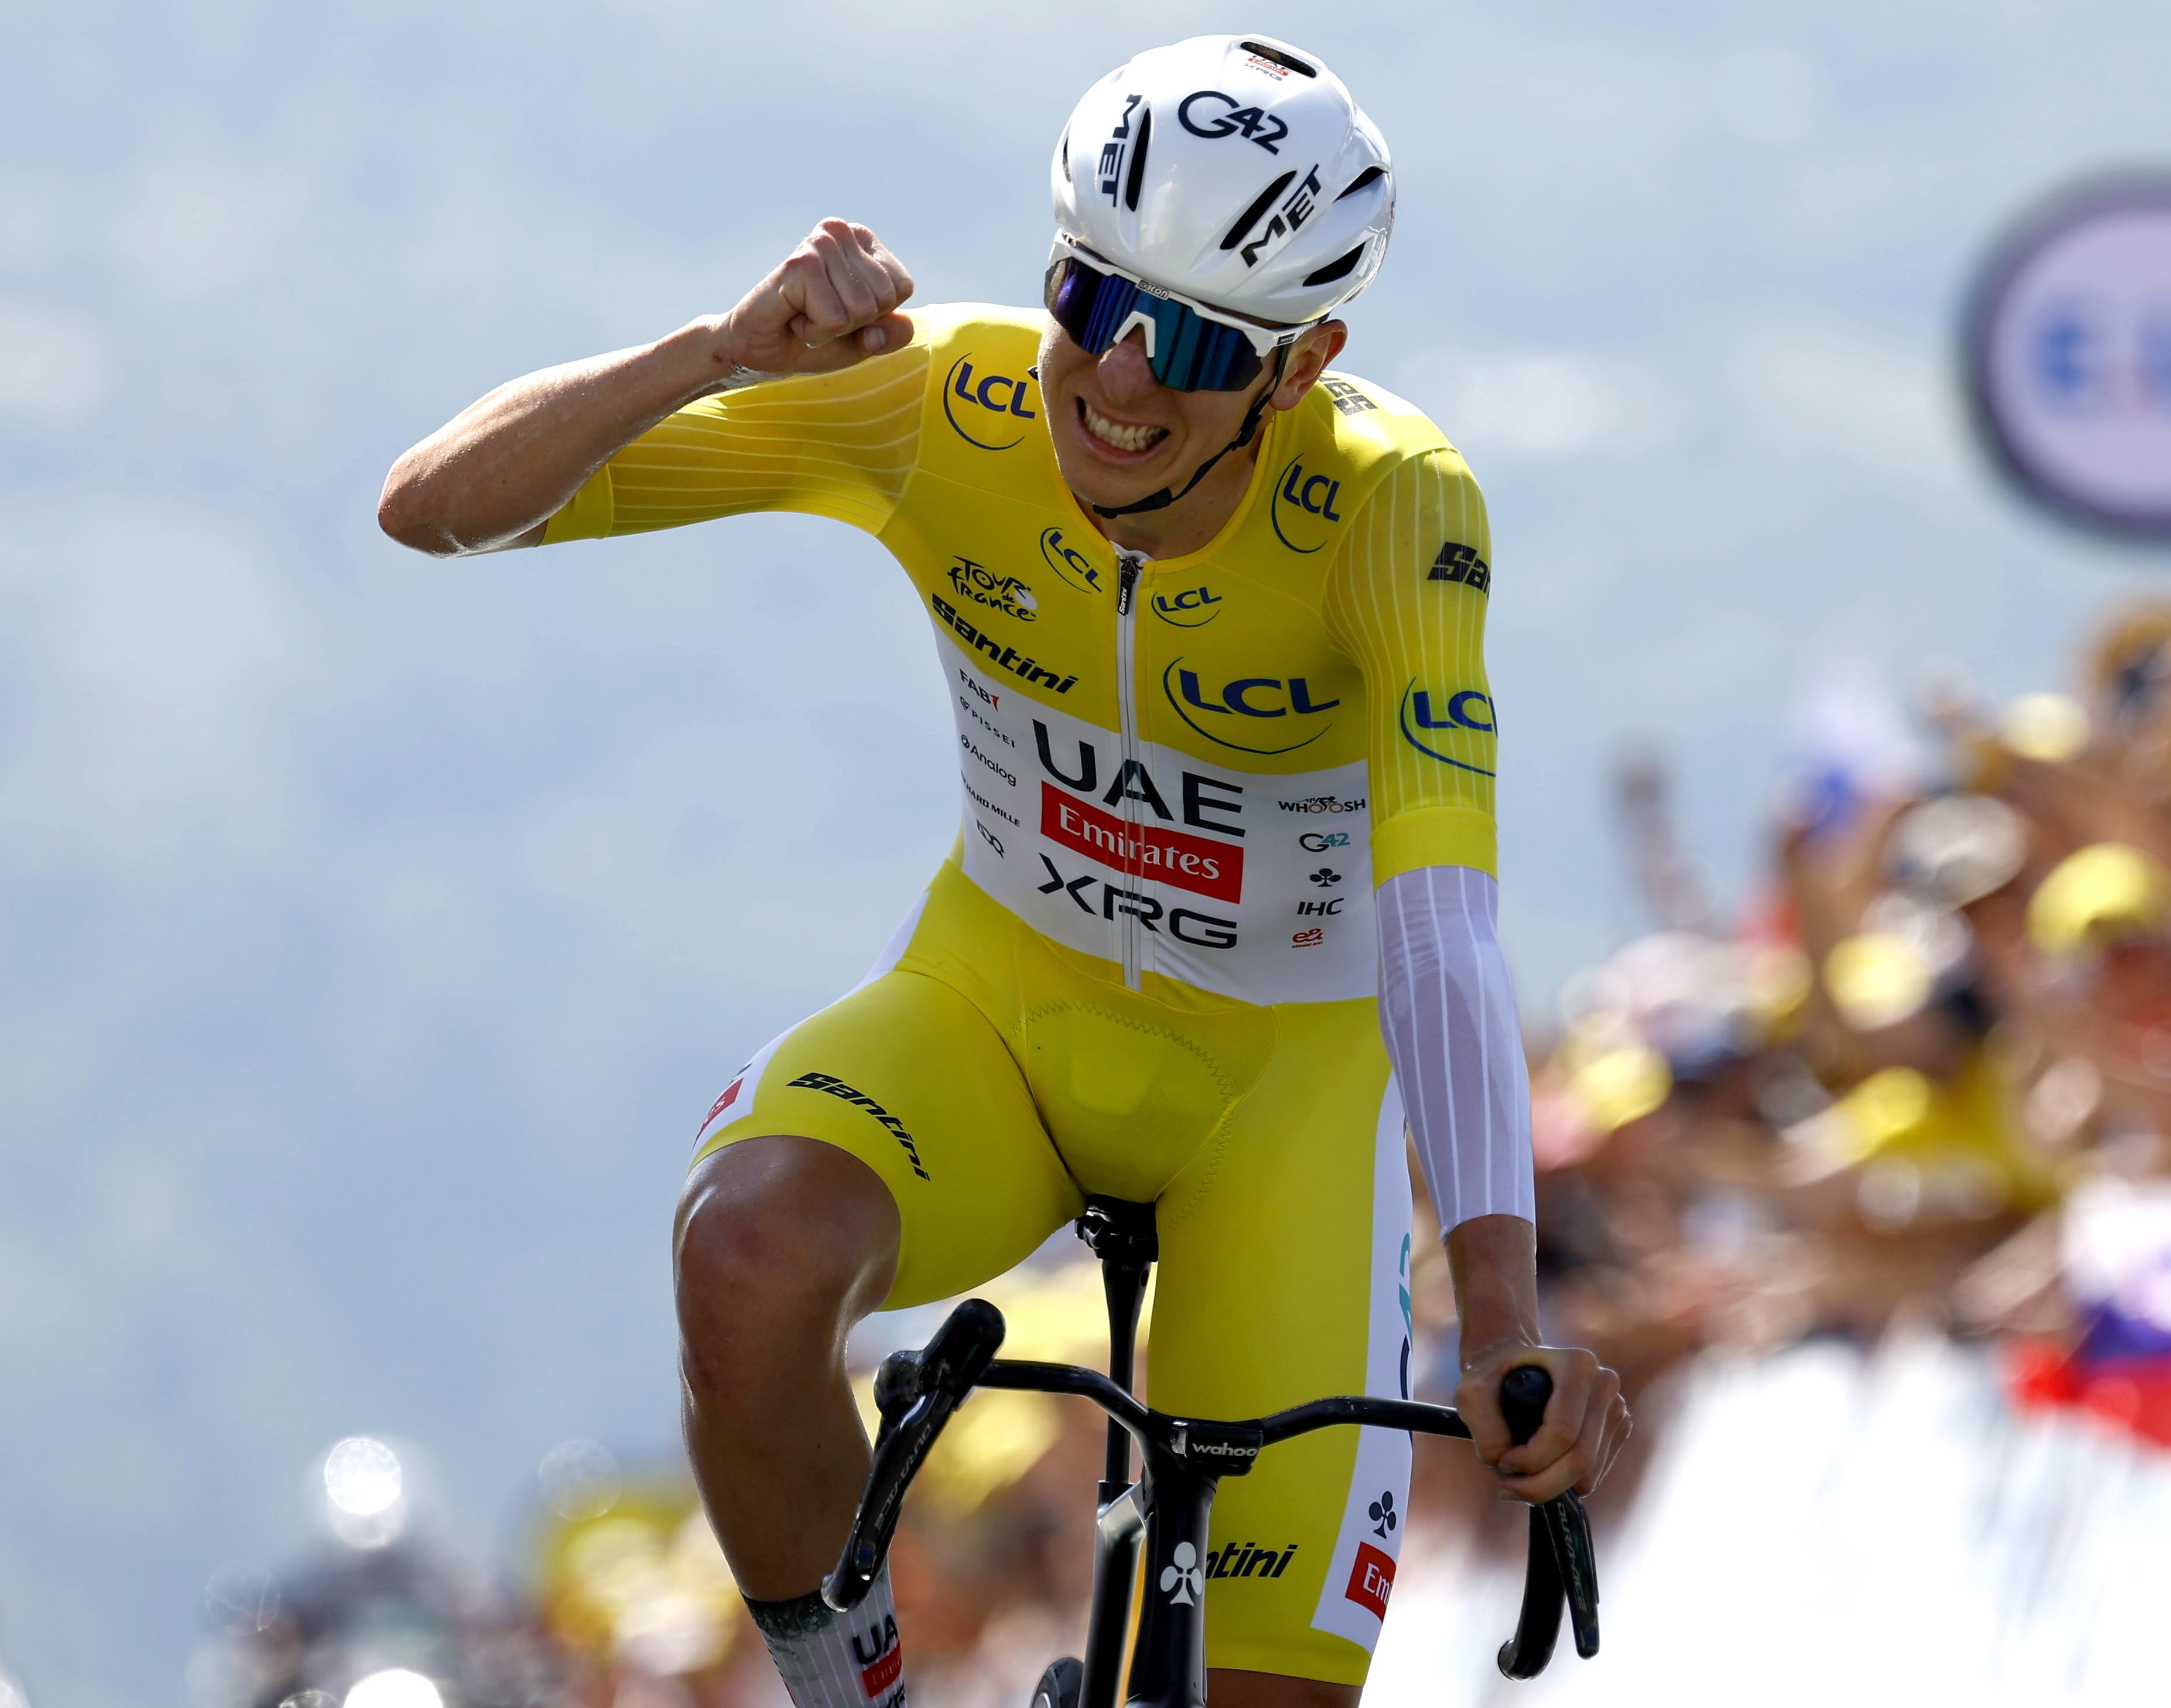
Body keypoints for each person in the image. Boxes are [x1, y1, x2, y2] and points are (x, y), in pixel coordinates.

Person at [379, 34, 1628, 1708]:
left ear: (1303, 359)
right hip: (994, 1026)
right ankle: (854, 1693)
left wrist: (1497, 1309)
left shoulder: (1391, 509)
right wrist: (710, 353)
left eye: (1187, 340)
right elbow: (436, 510)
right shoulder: (941, 401)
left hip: (1281, 1112)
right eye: (1086, 300)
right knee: (741, 1254)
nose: (1114, 377)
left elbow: (1441, 924)